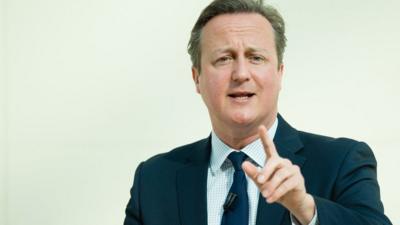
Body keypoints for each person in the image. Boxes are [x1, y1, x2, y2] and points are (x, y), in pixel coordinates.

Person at [123, 0, 392, 224]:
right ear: (197, 78)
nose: (241, 74)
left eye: (256, 58)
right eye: (224, 58)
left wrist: (306, 209)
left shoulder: (342, 162)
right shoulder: (154, 179)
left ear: (279, 73)